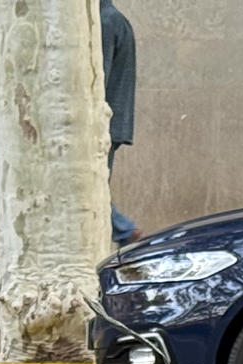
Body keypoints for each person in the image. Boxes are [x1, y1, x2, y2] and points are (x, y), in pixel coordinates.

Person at [100, 0, 139, 244]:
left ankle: (124, 230)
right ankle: (123, 230)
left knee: (90, 187)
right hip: (111, 121)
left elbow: (96, 80)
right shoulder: (114, 18)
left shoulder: (105, 21)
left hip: (103, 123)